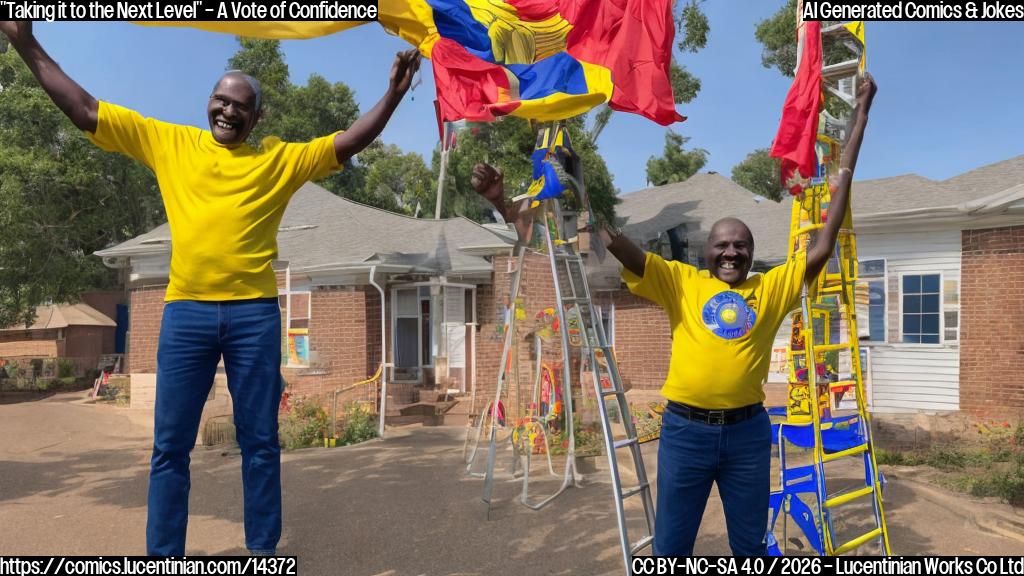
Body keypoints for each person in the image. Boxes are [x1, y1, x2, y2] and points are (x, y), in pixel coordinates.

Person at [0, 21, 421, 556]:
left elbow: (348, 140)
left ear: (257, 116)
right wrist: (25, 41)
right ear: (209, 102)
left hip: (254, 316)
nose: (227, 110)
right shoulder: (171, 143)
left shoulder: (278, 159)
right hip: (187, 315)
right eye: (220, 100)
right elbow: (85, 110)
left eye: (239, 105)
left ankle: (262, 551)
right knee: (170, 447)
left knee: (261, 443)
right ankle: (164, 556)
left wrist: (393, 94)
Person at [472, 74, 876, 555]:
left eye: (740, 246)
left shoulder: (771, 288)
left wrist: (860, 120)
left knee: (749, 546)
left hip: (747, 436)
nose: (731, 253)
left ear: (752, 253)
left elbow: (824, 241)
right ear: (706, 252)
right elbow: (616, 244)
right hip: (685, 434)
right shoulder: (681, 281)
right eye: (722, 245)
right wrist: (578, 191)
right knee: (671, 547)